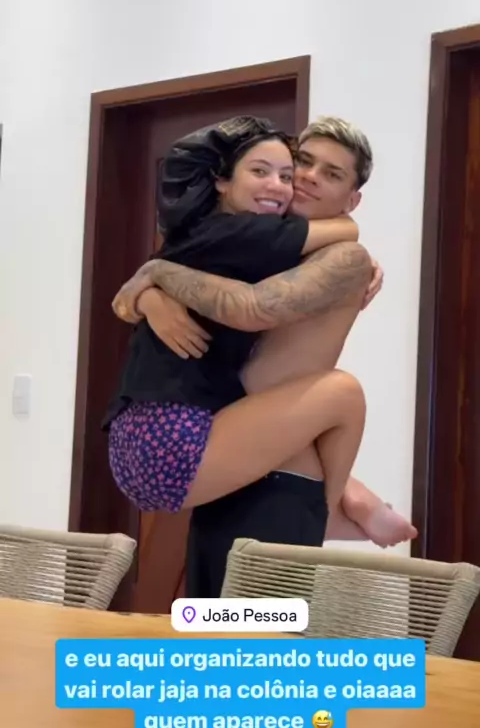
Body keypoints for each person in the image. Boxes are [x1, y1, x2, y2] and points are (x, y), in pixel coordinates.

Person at [111, 117, 417, 588]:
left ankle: (339, 503)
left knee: (226, 623)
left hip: (221, 447)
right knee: (342, 393)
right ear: (223, 181)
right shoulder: (246, 236)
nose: (307, 177)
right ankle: (334, 507)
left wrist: (152, 279)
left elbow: (242, 313)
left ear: (351, 197)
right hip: (185, 441)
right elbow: (247, 309)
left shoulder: (285, 249)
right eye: (303, 163)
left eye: (330, 174)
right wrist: (150, 286)